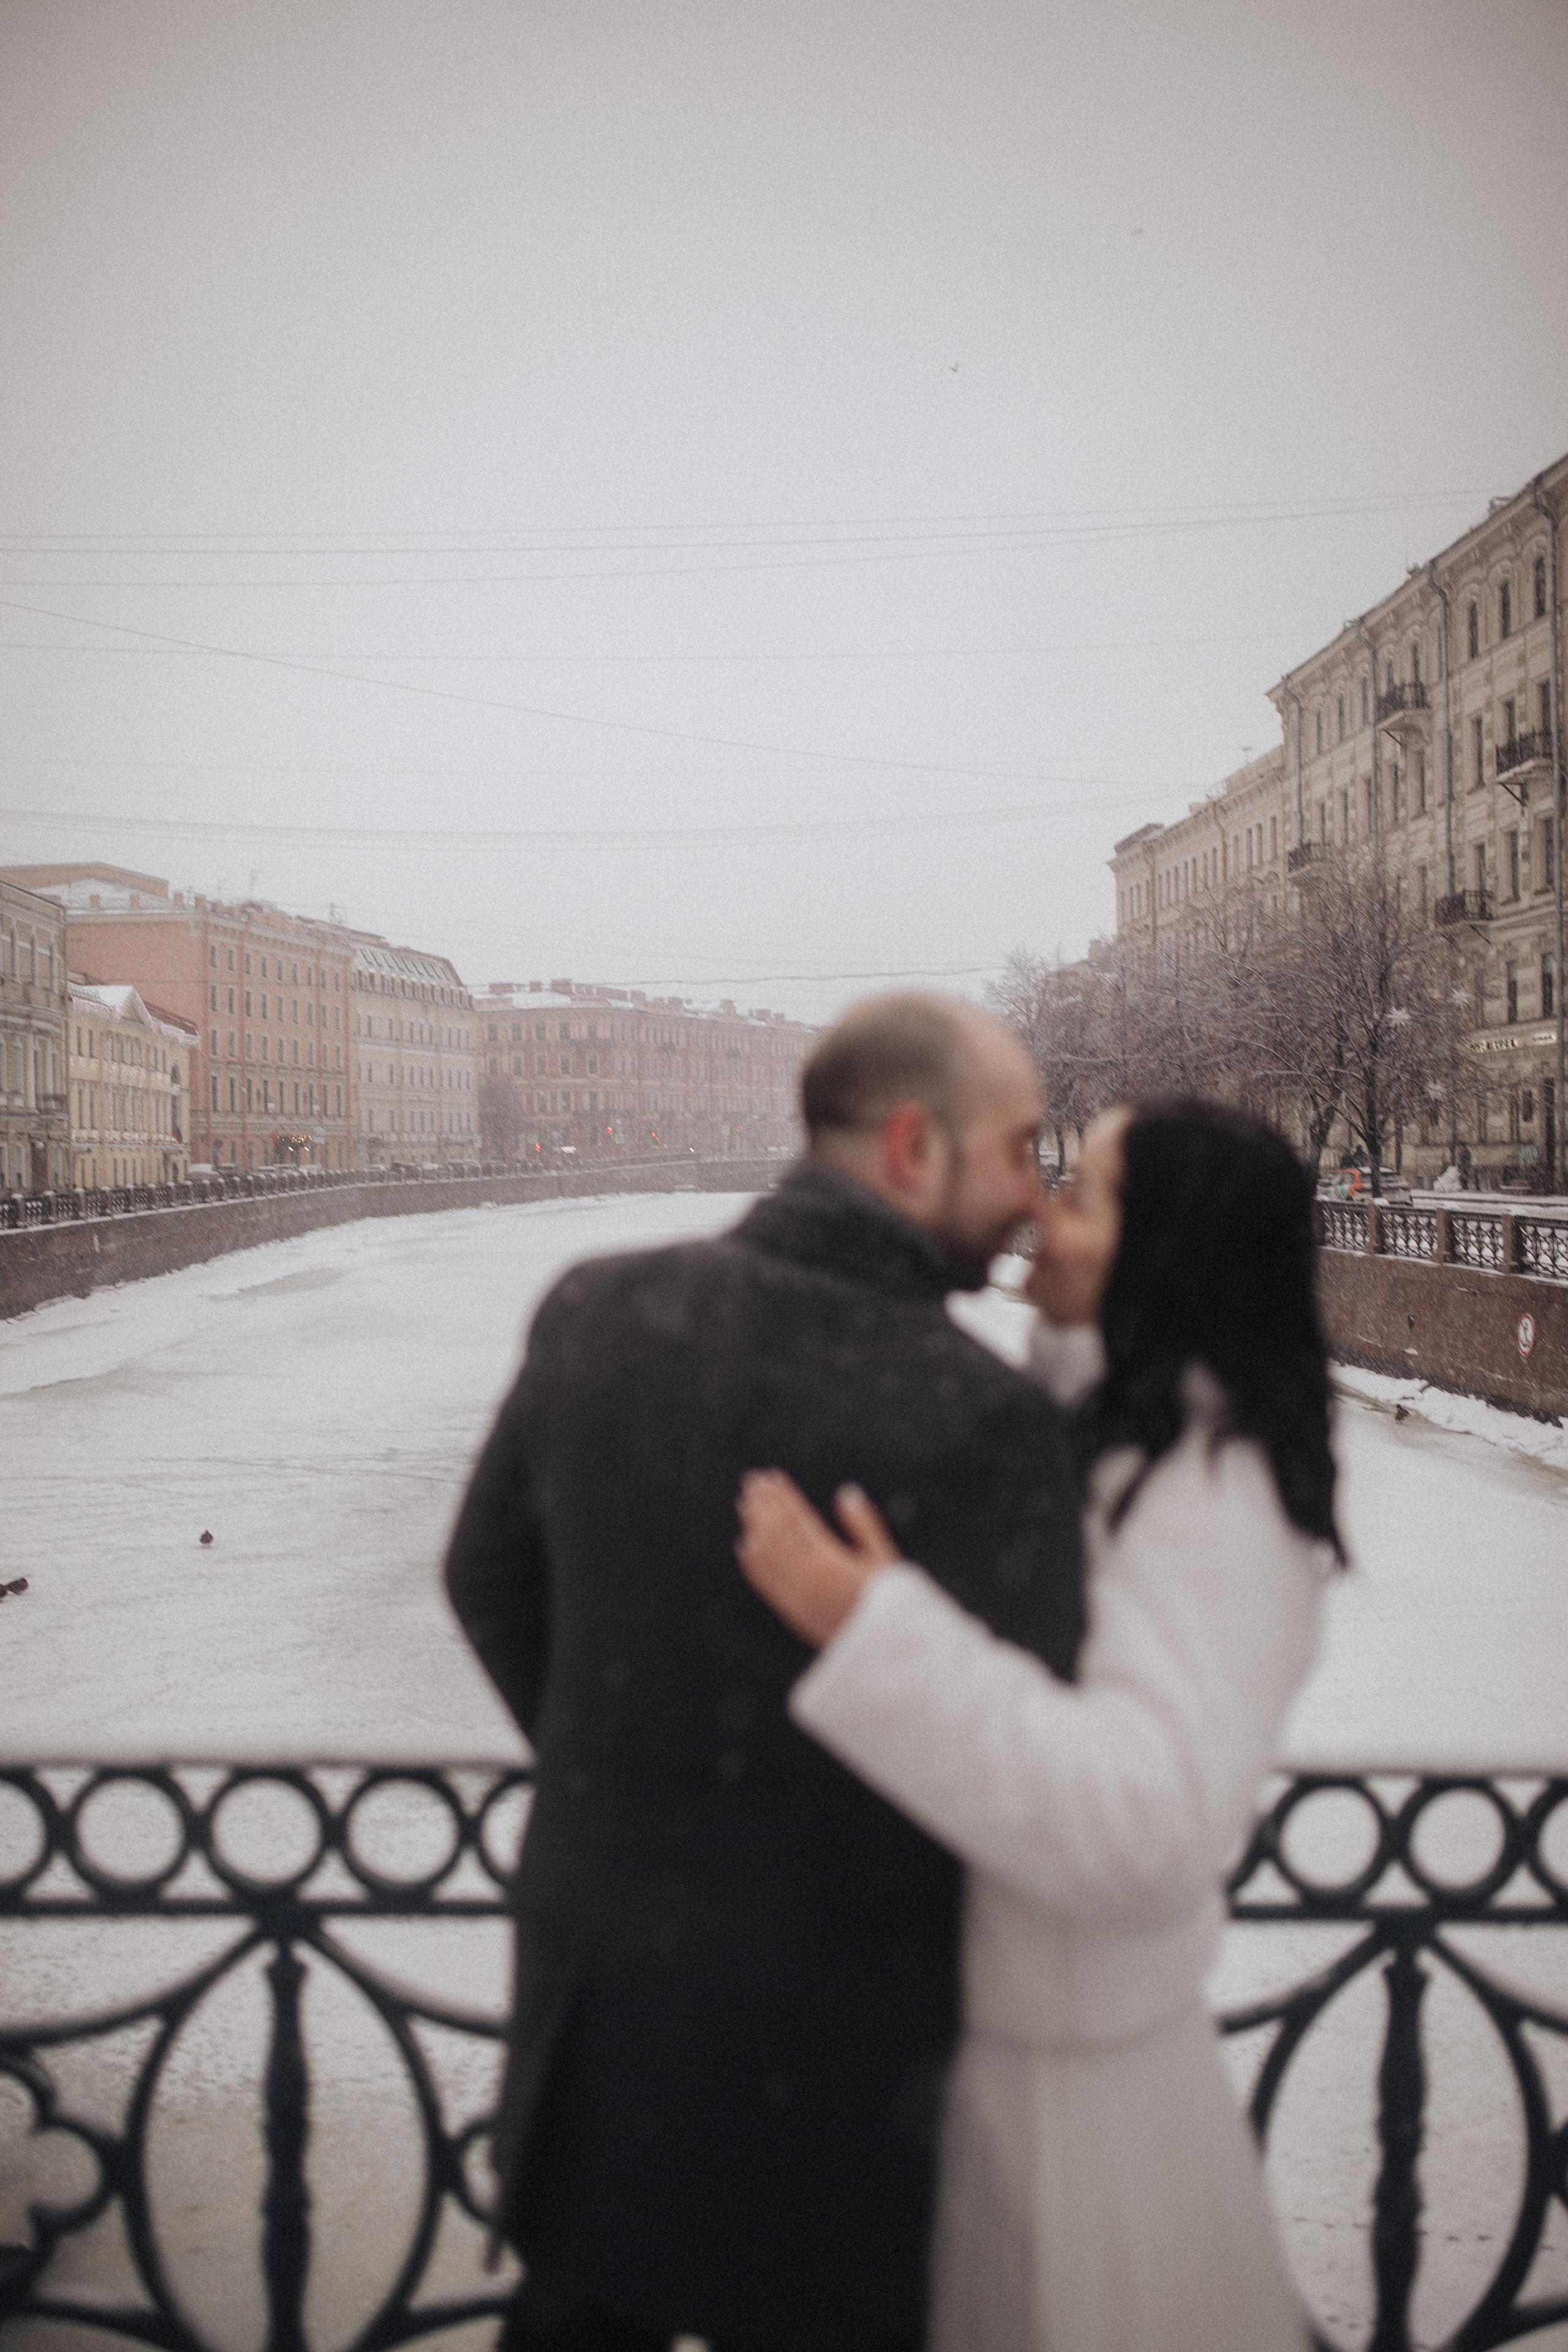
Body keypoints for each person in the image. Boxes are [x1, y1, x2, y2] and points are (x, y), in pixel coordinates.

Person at [445, 994, 1086, 2351]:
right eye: (1023, 1146)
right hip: (851, 2066)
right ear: (913, 1147)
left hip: (605, 2005)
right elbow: (1022, 1752)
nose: (1039, 1190)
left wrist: (613, 1760)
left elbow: (484, 1579)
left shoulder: (598, 1312)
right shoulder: (988, 1419)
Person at [736, 1098, 1341, 2352]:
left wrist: (869, 1628)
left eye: (1081, 1193)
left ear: (1160, 1248)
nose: (1039, 1212)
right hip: (1008, 2064)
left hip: (1074, 2127)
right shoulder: (1109, 1431)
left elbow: (1143, 1824)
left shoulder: (1212, 1491)